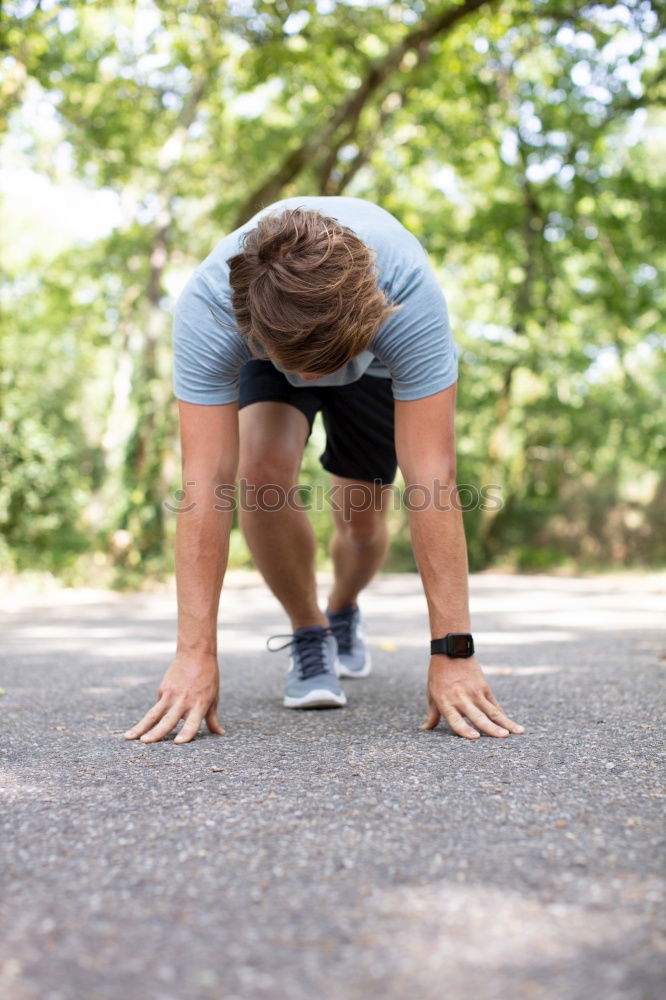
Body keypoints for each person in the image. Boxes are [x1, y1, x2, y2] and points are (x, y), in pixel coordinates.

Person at [124, 196, 524, 744]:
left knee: (359, 524)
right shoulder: (210, 309)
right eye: (303, 373)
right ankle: (310, 631)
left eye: (323, 372)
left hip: (371, 357)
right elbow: (204, 485)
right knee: (258, 477)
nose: (313, 384)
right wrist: (194, 656)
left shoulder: (406, 293)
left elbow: (433, 479)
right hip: (269, 348)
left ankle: (342, 611)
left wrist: (454, 653)